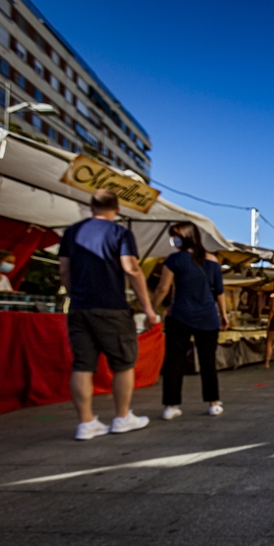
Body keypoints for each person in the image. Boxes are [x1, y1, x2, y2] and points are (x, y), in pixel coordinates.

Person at [58, 189, 157, 441]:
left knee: (82, 365)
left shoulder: (71, 232)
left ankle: (86, 422)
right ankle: (122, 417)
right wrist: (148, 308)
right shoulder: (120, 233)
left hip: (79, 307)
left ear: (91, 207)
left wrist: (73, 293)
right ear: (118, 209)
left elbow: (64, 270)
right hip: (111, 306)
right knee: (123, 363)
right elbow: (131, 269)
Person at [151, 222, 228, 419]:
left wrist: (151, 308)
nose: (174, 240)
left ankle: (170, 405)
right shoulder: (213, 261)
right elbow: (219, 292)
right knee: (207, 361)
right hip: (208, 318)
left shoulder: (174, 260)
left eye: (175, 236)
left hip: (179, 316)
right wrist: (224, 314)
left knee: (174, 362)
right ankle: (213, 403)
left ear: (185, 237)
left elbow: (162, 289)